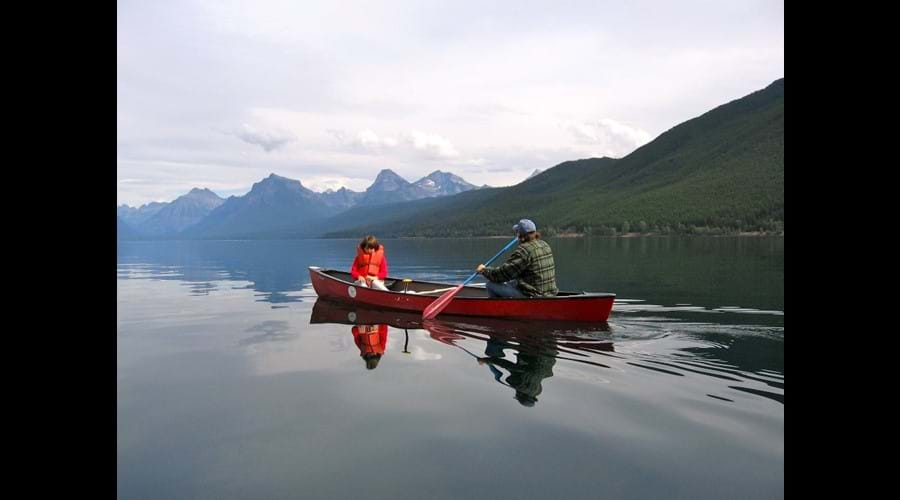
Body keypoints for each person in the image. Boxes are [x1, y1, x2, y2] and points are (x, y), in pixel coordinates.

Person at [476, 219, 558, 298]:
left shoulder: (523, 251)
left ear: (520, 235)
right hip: (550, 293)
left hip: (533, 295)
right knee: (512, 282)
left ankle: (499, 310)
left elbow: (502, 274)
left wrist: (484, 270)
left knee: (491, 285)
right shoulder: (545, 244)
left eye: (517, 232)